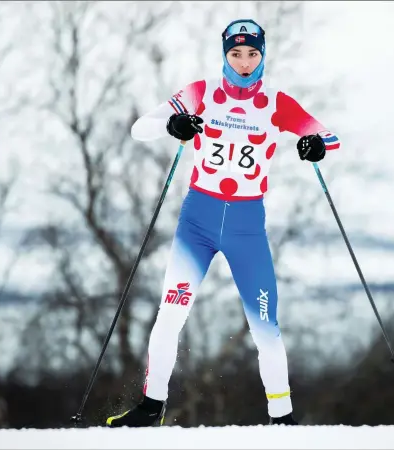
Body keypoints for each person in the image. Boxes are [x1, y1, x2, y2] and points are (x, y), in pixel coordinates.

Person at [106, 18, 341, 428]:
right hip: (198, 221)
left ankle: (282, 418)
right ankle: (150, 407)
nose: (245, 62)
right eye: (236, 54)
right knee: (170, 315)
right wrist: (173, 123)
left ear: (263, 55)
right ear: (225, 55)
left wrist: (315, 144)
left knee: (265, 325)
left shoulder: (276, 102)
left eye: (253, 54)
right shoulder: (203, 93)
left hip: (246, 228)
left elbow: (329, 137)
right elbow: (140, 129)